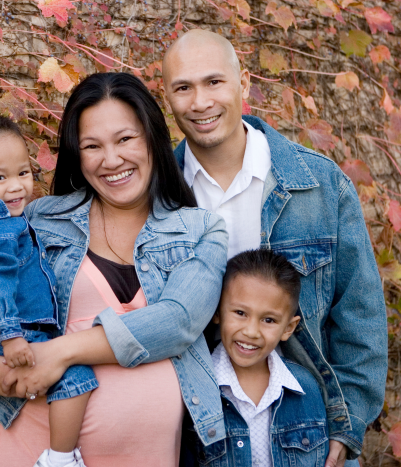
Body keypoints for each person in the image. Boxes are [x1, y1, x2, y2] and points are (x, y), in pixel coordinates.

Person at [0, 73, 230, 466]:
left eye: (125, 139)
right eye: (92, 146)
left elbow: (178, 321)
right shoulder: (39, 221)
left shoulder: (201, 230)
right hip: (30, 444)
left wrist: (60, 353)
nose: (111, 160)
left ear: (152, 137)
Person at [162, 29, 387, 466]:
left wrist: (348, 424)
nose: (200, 102)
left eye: (214, 82)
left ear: (243, 82)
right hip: (198, 436)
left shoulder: (318, 184)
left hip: (313, 433)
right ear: (167, 96)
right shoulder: (158, 196)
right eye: (183, 88)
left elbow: (360, 314)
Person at [0, 112, 97, 467]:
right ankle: (60, 457)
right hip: (5, 326)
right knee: (75, 377)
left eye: (23, 173)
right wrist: (10, 335)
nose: (16, 187)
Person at [183, 249, 330, 466]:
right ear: (217, 312)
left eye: (269, 320)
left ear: (288, 328)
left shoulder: (305, 389)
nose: (251, 331)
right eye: (240, 313)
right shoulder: (194, 389)